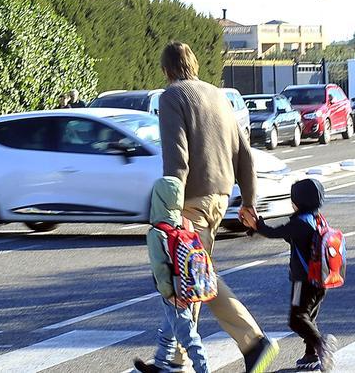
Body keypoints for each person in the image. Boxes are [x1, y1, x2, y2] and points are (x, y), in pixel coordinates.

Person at [154, 42, 278, 373]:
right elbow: (245, 153)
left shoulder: (172, 96)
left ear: (166, 70)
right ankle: (175, 359)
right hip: (221, 197)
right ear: (194, 64)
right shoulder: (219, 95)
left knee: (195, 274)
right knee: (191, 276)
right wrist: (248, 202)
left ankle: (254, 341)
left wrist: (171, 206)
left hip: (191, 200)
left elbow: (177, 158)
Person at [248, 179, 338, 372]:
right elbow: (293, 238)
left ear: (299, 201)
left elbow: (274, 232)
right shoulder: (317, 219)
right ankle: (311, 355)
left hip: (304, 281)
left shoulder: (299, 222)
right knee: (308, 317)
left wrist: (257, 225)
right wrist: (257, 228)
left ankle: (321, 344)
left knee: (297, 319)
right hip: (322, 280)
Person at [134, 177, 211, 373]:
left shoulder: (157, 232)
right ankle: (160, 363)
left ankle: (204, 370)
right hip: (191, 286)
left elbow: (160, 268)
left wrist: (168, 293)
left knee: (188, 337)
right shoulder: (186, 223)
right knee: (170, 326)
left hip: (174, 292)